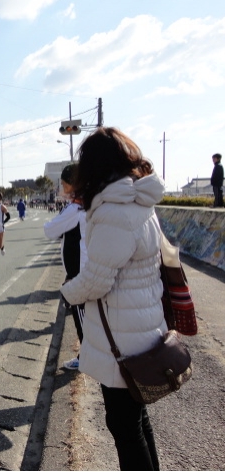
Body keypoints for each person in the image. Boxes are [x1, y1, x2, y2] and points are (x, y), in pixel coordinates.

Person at [61, 127, 165, 471]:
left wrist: (68, 293)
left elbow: (96, 281)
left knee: (123, 425)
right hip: (142, 326)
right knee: (136, 420)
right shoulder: (139, 202)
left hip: (122, 337)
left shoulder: (114, 212)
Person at [44, 164, 87, 370]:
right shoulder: (89, 204)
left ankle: (85, 357)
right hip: (84, 270)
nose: (62, 187)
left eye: (63, 183)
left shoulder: (76, 208)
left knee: (82, 317)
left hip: (79, 273)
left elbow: (50, 230)